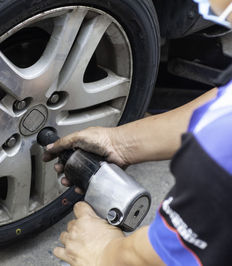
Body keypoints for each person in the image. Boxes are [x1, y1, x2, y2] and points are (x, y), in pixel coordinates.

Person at [44, 0, 232, 265]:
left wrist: (104, 252)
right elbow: (222, 104)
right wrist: (118, 143)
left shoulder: (220, 153)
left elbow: (173, 256)